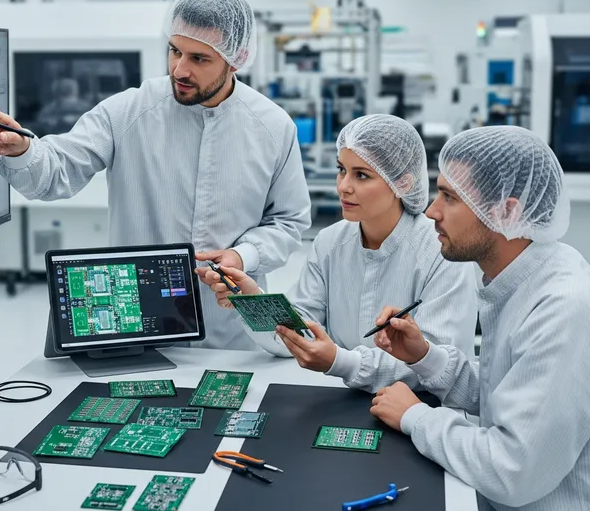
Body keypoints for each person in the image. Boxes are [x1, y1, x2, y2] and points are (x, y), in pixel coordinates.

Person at [0, 0, 312, 350]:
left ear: (236, 59)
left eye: (199, 59)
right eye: (175, 51)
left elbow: (289, 221)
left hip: (233, 331)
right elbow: (57, 170)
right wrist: (22, 149)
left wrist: (245, 255)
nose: (180, 69)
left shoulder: (272, 127)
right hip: (140, 325)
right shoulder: (128, 112)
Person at [369, 126, 590, 511]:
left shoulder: (565, 308)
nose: (431, 211)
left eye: (449, 197)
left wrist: (415, 416)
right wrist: (424, 356)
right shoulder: (521, 279)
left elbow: (512, 472)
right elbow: (506, 392)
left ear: (507, 211)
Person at [196, 114, 478, 391]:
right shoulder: (331, 242)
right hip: (345, 398)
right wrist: (253, 300)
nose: (343, 186)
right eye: (342, 169)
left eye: (362, 175)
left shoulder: (441, 251)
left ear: (402, 183)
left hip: (423, 408)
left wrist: (340, 360)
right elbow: (299, 332)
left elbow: (436, 365)